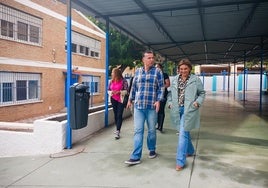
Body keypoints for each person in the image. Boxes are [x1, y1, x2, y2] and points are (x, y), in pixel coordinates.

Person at [124, 50, 165, 165]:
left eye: (152, 58)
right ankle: (136, 156)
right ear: (143, 59)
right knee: (138, 131)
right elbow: (134, 87)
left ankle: (152, 149)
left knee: (152, 131)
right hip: (138, 106)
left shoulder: (157, 72)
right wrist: (130, 99)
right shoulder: (138, 71)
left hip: (151, 106)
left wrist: (158, 100)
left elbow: (161, 88)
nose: (151, 59)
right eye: (149, 58)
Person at [167, 58, 205, 171]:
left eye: (185, 68)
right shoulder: (174, 80)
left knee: (182, 134)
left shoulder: (195, 79)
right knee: (185, 132)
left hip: (189, 110)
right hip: (177, 110)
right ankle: (190, 151)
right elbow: (169, 93)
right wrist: (169, 102)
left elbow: (202, 93)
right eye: (181, 69)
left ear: (189, 69)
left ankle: (180, 161)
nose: (183, 71)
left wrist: (197, 102)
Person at [108, 68, 129, 139]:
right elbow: (108, 90)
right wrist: (112, 92)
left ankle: (117, 130)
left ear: (116, 73)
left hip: (121, 99)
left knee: (119, 114)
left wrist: (119, 92)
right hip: (113, 99)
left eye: (112, 73)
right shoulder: (111, 81)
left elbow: (126, 90)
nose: (111, 74)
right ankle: (118, 127)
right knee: (115, 114)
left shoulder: (124, 81)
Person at [155, 63, 170, 132]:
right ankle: (158, 125)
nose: (156, 68)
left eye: (158, 67)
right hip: (155, 95)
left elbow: (168, 84)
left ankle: (160, 126)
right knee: (156, 110)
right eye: (155, 67)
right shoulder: (154, 75)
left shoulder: (164, 75)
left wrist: (161, 87)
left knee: (161, 110)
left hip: (163, 94)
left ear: (161, 68)